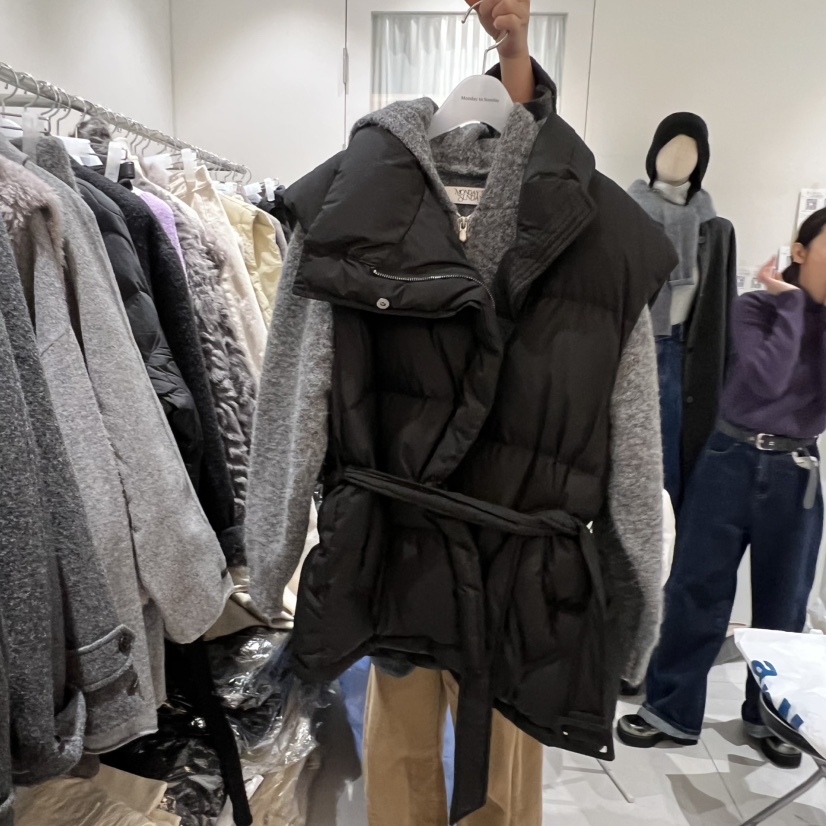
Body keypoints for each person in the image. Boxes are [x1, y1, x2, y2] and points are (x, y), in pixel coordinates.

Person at [618, 207, 826, 769]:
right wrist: (794, 306)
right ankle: (671, 711)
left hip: (797, 471)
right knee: (696, 589)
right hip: (729, 458)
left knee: (786, 603)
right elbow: (767, 378)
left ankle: (774, 719)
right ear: (800, 252)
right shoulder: (754, 307)